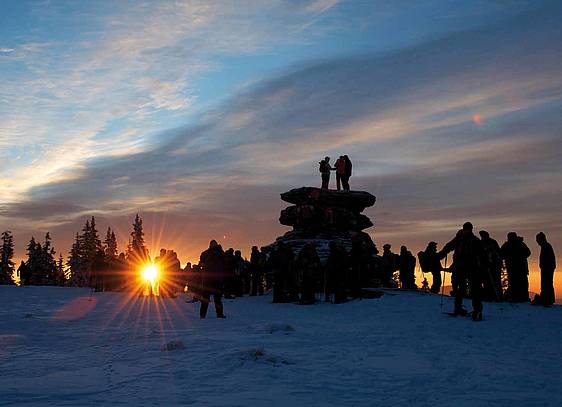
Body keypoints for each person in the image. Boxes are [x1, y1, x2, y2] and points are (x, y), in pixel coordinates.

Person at [438, 222, 484, 321]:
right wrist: (440, 255)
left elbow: (448, 246)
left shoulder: (467, 240)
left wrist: (440, 255)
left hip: (469, 267)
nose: (468, 231)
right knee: (462, 288)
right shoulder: (464, 239)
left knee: (472, 288)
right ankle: (461, 308)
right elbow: (448, 247)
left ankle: (476, 309)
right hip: (464, 267)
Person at [198, 240, 226, 319]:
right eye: (212, 244)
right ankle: (202, 315)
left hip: (217, 278)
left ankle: (219, 314)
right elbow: (201, 263)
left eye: (215, 244)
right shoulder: (205, 253)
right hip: (208, 278)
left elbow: (225, 262)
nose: (213, 245)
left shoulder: (220, 253)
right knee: (206, 298)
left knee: (217, 298)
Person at [501, 232, 531, 303]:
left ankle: (521, 297)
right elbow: (501, 255)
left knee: (520, 283)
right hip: (515, 268)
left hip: (519, 268)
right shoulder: (514, 244)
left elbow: (528, 253)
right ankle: (517, 297)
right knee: (516, 283)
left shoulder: (517, 244)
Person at [533, 232, 556, 306]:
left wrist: (545, 267)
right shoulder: (545, 246)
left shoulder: (546, 246)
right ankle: (547, 299)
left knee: (547, 283)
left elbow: (548, 259)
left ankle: (547, 299)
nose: (537, 242)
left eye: (537, 240)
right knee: (546, 283)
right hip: (547, 268)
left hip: (547, 268)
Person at [479, 231, 503, 301]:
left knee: (494, 281)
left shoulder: (492, 242)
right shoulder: (482, 243)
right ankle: (489, 295)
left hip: (493, 265)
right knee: (487, 281)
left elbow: (498, 253)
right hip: (486, 265)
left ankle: (497, 296)